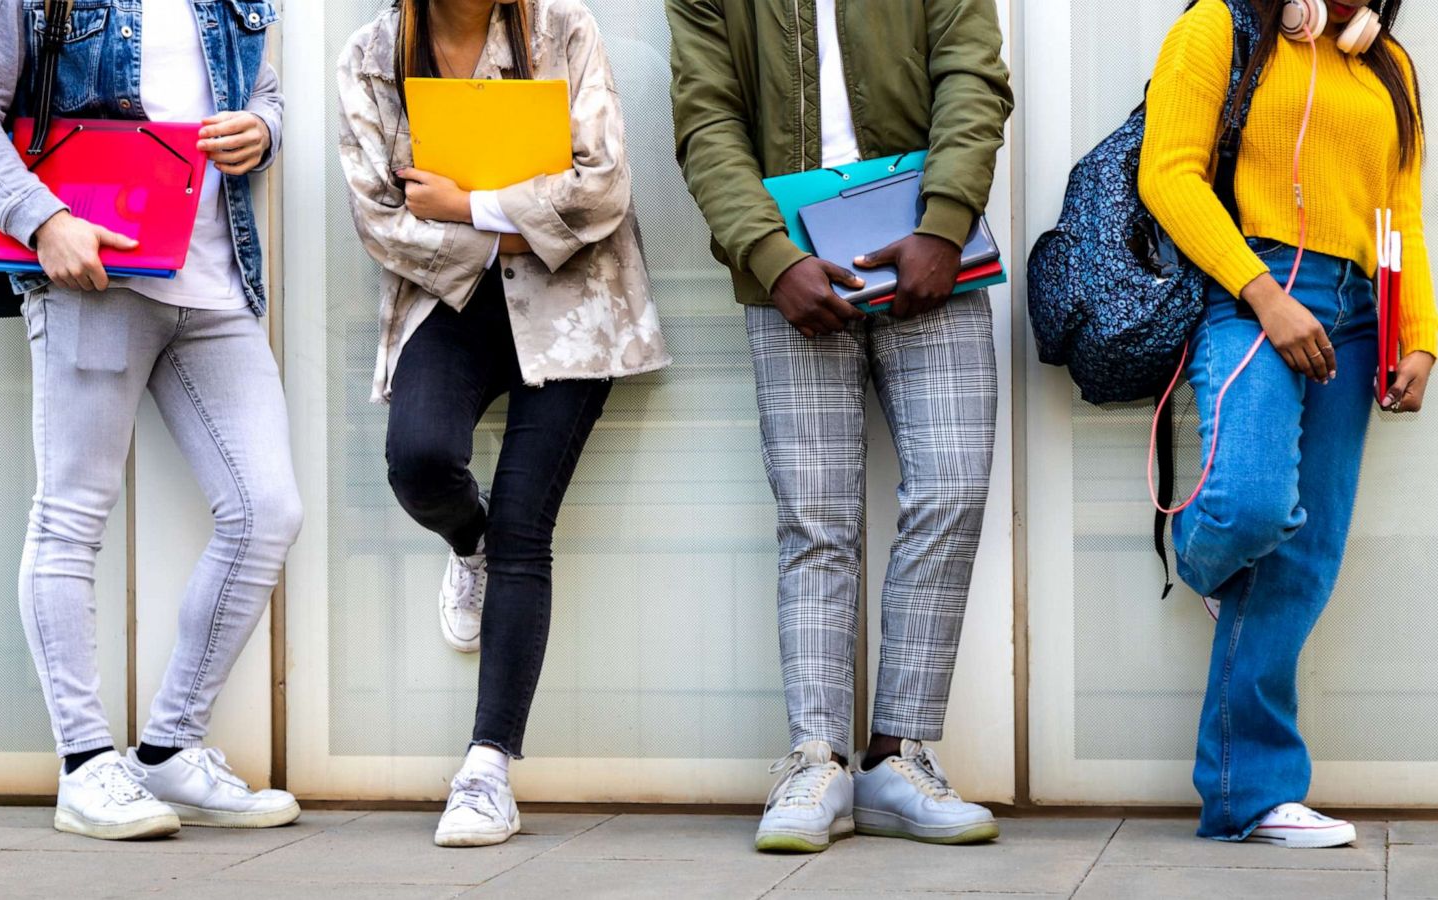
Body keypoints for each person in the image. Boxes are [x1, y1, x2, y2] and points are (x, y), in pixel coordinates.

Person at [0, 0, 302, 840]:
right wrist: (43, 219)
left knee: (265, 512)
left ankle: (168, 749)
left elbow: (262, 90)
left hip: (213, 285)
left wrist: (263, 131)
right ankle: (84, 767)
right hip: (90, 281)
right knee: (71, 516)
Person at [667, 0, 1013, 853]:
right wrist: (769, 255)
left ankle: (899, 758)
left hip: (934, 251)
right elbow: (705, 118)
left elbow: (973, 78)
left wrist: (944, 221)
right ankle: (814, 762)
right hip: (788, 268)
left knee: (954, 487)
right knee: (815, 518)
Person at [337, 0, 670, 848]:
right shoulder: (374, 53)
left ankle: (487, 771)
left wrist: (474, 205)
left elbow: (604, 187)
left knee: (527, 525)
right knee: (417, 461)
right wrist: (506, 232)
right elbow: (379, 216)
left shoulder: (563, 28)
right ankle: (466, 543)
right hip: (446, 304)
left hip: (574, 308)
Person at [1139, 0, 1438, 847]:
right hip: (1252, 289)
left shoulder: (1389, 66)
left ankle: (1250, 795)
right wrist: (1264, 297)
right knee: (1252, 509)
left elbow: (1401, 209)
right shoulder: (1217, 28)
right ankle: (1206, 565)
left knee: (1303, 560)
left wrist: (1417, 333)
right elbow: (1169, 175)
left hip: (1357, 310)